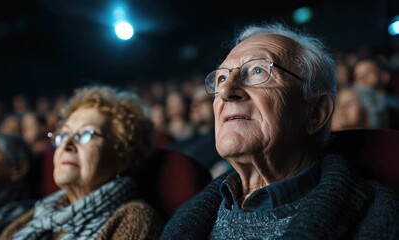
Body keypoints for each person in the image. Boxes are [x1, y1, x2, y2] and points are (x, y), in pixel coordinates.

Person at [161, 23, 399, 239]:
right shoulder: (184, 219)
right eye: (222, 77)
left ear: (315, 112)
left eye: (257, 71)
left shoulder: (381, 221)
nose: (226, 91)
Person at [1, 85, 162, 240]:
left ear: (122, 156)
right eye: (63, 135)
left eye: (86, 134)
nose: (67, 144)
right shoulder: (36, 214)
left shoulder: (134, 218)